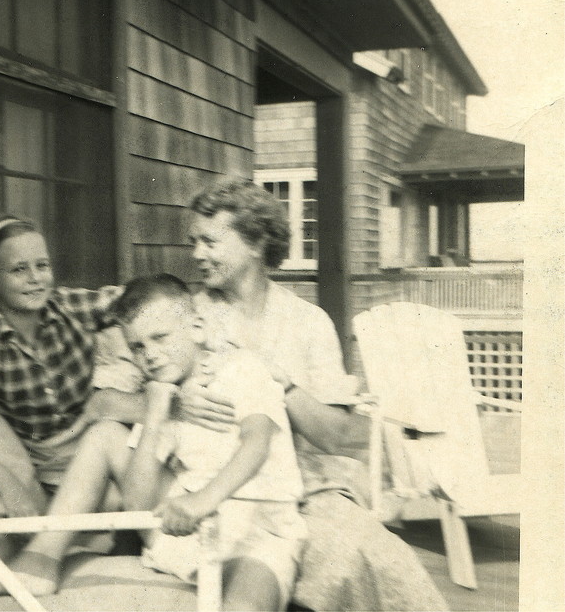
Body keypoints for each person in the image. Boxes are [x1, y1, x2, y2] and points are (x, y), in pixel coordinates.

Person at [0, 274, 306, 612]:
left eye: (160, 338)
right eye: (137, 346)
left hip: (258, 529)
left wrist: (201, 501)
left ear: (197, 328)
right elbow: (139, 502)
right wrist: (155, 411)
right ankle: (40, 561)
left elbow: (256, 445)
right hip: (186, 530)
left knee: (247, 601)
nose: (148, 355)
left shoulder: (240, 367)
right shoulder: (162, 394)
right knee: (105, 435)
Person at [177, 178, 449, 611]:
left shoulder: (307, 322)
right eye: (193, 242)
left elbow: (340, 437)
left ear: (256, 241)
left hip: (309, 489)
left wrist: (280, 382)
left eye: (209, 241)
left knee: (381, 558)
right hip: (222, 490)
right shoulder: (186, 315)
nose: (196, 254)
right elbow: (114, 398)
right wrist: (176, 400)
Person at [0, 215, 140, 530]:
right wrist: (6, 482)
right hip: (52, 460)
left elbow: (133, 301)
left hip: (100, 427)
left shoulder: (67, 306)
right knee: (116, 504)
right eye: (18, 269)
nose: (35, 279)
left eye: (43, 266)